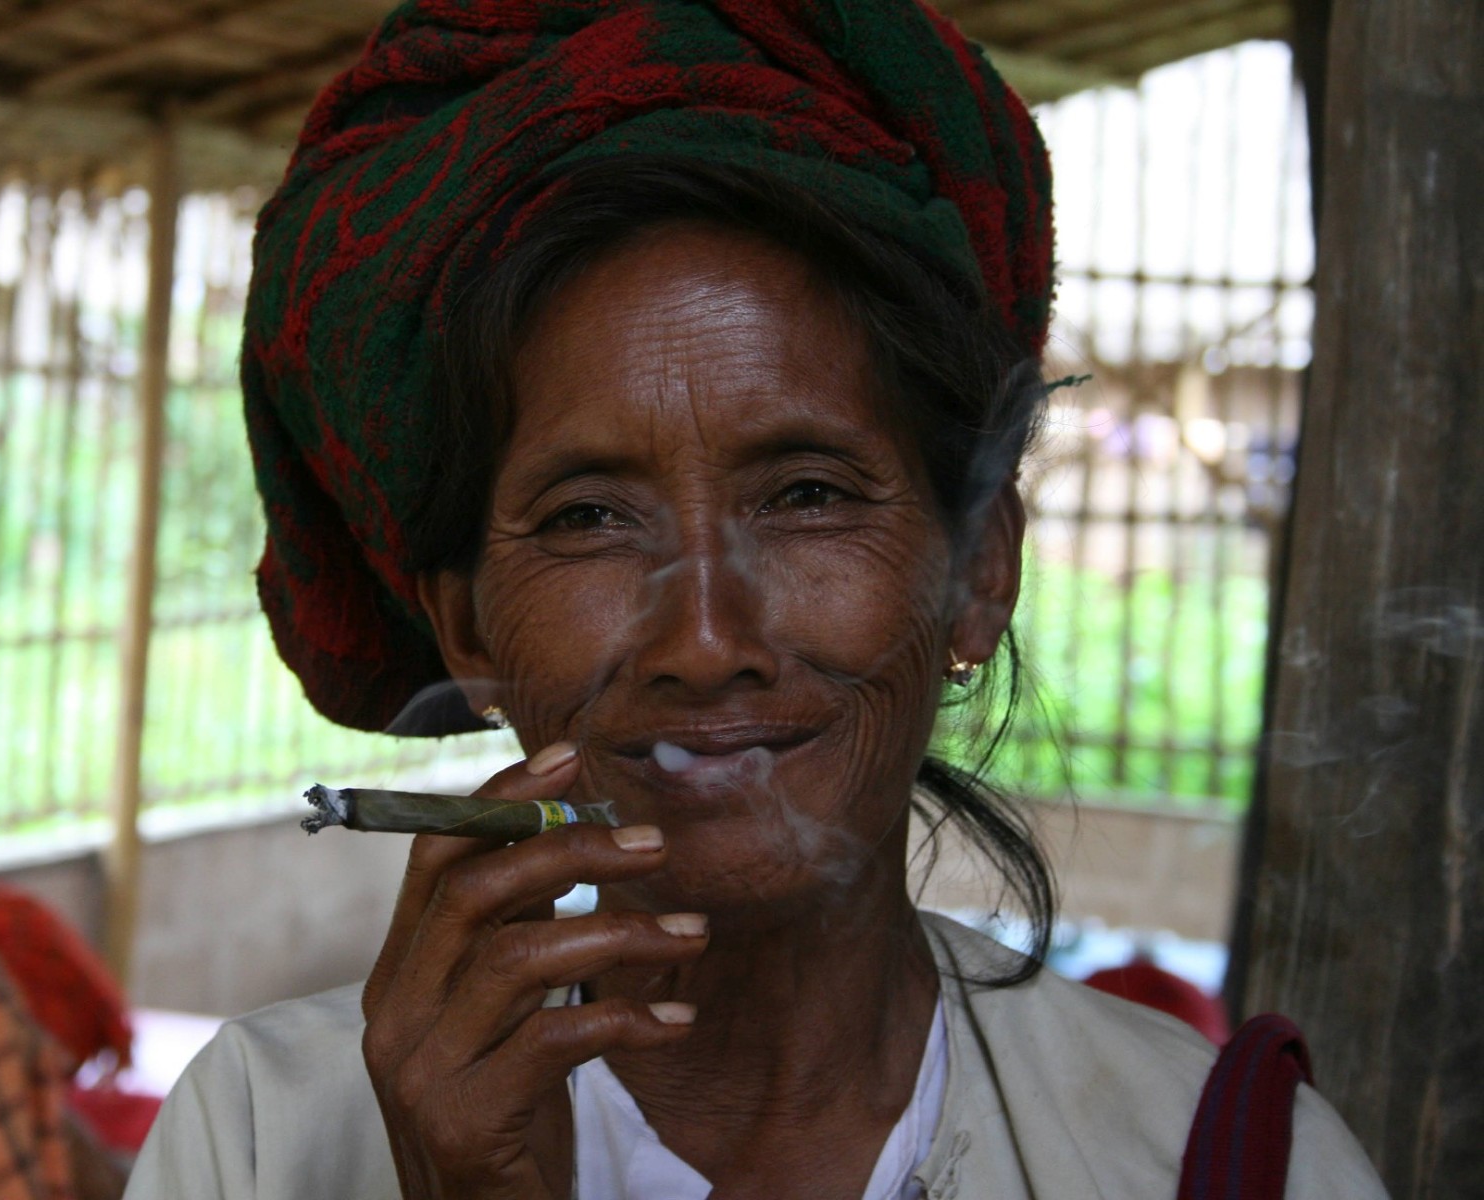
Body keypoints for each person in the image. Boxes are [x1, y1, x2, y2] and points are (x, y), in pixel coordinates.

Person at [126, 2, 1388, 1196]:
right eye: (587, 518)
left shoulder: (1216, 1161)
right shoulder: (262, 1141)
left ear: (975, 574)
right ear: (468, 630)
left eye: (807, 496)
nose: (704, 639)